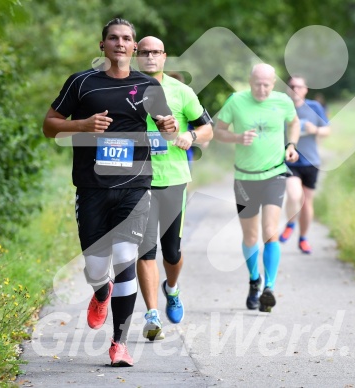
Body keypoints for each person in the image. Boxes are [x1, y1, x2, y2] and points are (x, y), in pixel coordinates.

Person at [42, 18, 178, 367]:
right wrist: (83, 125)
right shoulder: (82, 83)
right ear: (102, 45)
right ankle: (100, 290)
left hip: (135, 186)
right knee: (96, 267)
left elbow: (167, 130)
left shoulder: (148, 86)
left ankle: (119, 343)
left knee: (125, 258)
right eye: (113, 38)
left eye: (127, 39)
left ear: (134, 48)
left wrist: (168, 126)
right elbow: (49, 126)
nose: (120, 43)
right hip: (91, 187)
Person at [135, 37, 213, 340]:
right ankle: (152, 316)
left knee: (171, 251)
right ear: (136, 56)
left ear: (164, 57)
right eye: (145, 53)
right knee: (145, 249)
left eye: (156, 52)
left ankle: (172, 288)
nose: (150, 57)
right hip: (136, 180)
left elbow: (207, 128)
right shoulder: (123, 89)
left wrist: (191, 136)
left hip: (173, 179)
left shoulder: (182, 91)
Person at [214, 63, 300, 313]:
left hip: (274, 174)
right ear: (250, 82)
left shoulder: (283, 101)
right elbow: (218, 132)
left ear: (273, 83)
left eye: (266, 85)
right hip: (244, 178)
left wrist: (291, 145)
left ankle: (269, 288)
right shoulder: (236, 101)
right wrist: (237, 138)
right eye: (257, 84)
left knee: (270, 231)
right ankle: (255, 280)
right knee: (251, 236)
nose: (261, 89)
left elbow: (294, 123)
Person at [279, 76, 331, 254]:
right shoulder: (281, 106)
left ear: (306, 89)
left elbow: (327, 129)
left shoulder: (314, 107)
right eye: (292, 86)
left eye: (299, 86)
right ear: (287, 88)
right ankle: (290, 223)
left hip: (311, 161)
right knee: (294, 195)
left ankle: (303, 238)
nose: (295, 89)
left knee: (307, 203)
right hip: (289, 160)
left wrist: (314, 129)